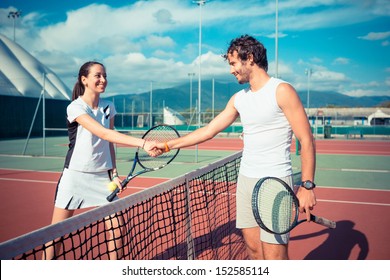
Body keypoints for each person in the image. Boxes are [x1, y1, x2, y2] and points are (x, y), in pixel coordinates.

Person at [156, 35, 316, 260]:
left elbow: (306, 140)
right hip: (246, 181)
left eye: (233, 63)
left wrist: (307, 186)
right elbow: (209, 130)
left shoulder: (282, 91)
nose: (231, 70)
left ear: (249, 58)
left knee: (274, 257)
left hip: (276, 182)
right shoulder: (239, 99)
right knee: (252, 250)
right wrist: (167, 145)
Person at [44, 61, 159, 260]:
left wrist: (114, 173)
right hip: (75, 177)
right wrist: (143, 143)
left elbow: (109, 142)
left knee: (117, 227)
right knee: (56, 234)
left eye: (105, 75)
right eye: (97, 75)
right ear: (84, 80)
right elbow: (103, 134)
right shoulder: (75, 107)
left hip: (103, 179)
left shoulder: (109, 106)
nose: (103, 80)